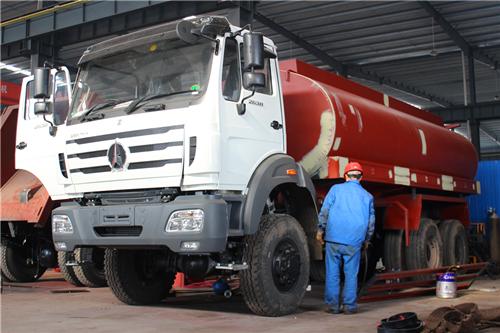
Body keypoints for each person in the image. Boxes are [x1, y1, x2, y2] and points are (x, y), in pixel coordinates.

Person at [316, 161, 375, 315]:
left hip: (334, 239)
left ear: (345, 176)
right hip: (354, 242)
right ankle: (349, 306)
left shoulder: (335, 189)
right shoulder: (368, 196)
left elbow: (325, 211)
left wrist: (320, 230)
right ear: (360, 178)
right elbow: (371, 223)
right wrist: (367, 240)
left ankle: (332, 306)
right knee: (351, 274)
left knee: (332, 272)